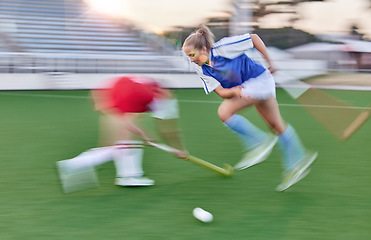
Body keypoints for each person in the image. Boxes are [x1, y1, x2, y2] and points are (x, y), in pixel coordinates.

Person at [182, 25, 317, 191]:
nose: (191, 59)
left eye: (192, 55)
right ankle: (297, 162)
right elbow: (222, 92)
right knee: (276, 126)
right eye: (188, 56)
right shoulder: (201, 68)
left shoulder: (224, 48)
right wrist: (234, 90)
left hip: (260, 80)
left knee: (224, 112)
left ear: (203, 49)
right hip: (250, 87)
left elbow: (253, 38)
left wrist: (270, 62)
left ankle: (259, 142)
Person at [57, 75, 187, 188]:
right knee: (119, 145)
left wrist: (146, 136)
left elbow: (137, 118)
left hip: (106, 90)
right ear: (166, 92)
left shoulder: (148, 88)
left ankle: (129, 175)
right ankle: (72, 165)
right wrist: (177, 148)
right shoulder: (151, 95)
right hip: (114, 96)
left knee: (124, 142)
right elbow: (167, 130)